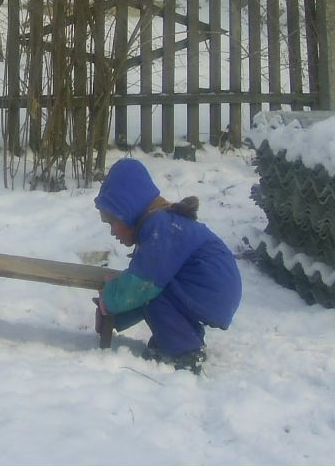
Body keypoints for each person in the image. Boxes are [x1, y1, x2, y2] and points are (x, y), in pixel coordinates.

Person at [94, 158, 242, 373]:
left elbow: (141, 286)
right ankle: (179, 340)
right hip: (211, 289)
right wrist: (117, 314)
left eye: (112, 222)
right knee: (157, 290)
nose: (112, 231)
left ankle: (184, 352)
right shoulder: (162, 224)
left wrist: (109, 300)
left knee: (153, 293)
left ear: (127, 211)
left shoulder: (160, 228)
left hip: (211, 290)